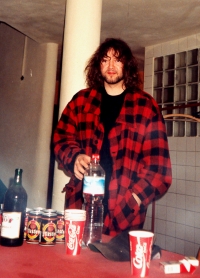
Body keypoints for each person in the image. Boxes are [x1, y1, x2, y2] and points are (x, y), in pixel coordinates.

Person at [53, 38, 172, 236]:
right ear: (98, 65)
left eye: (117, 60)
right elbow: (61, 138)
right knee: (76, 265)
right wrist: (74, 157)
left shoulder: (146, 106)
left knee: (116, 267)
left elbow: (159, 169)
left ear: (127, 65)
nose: (110, 66)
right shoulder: (81, 101)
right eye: (105, 60)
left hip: (126, 213)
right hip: (81, 206)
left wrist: (135, 198)